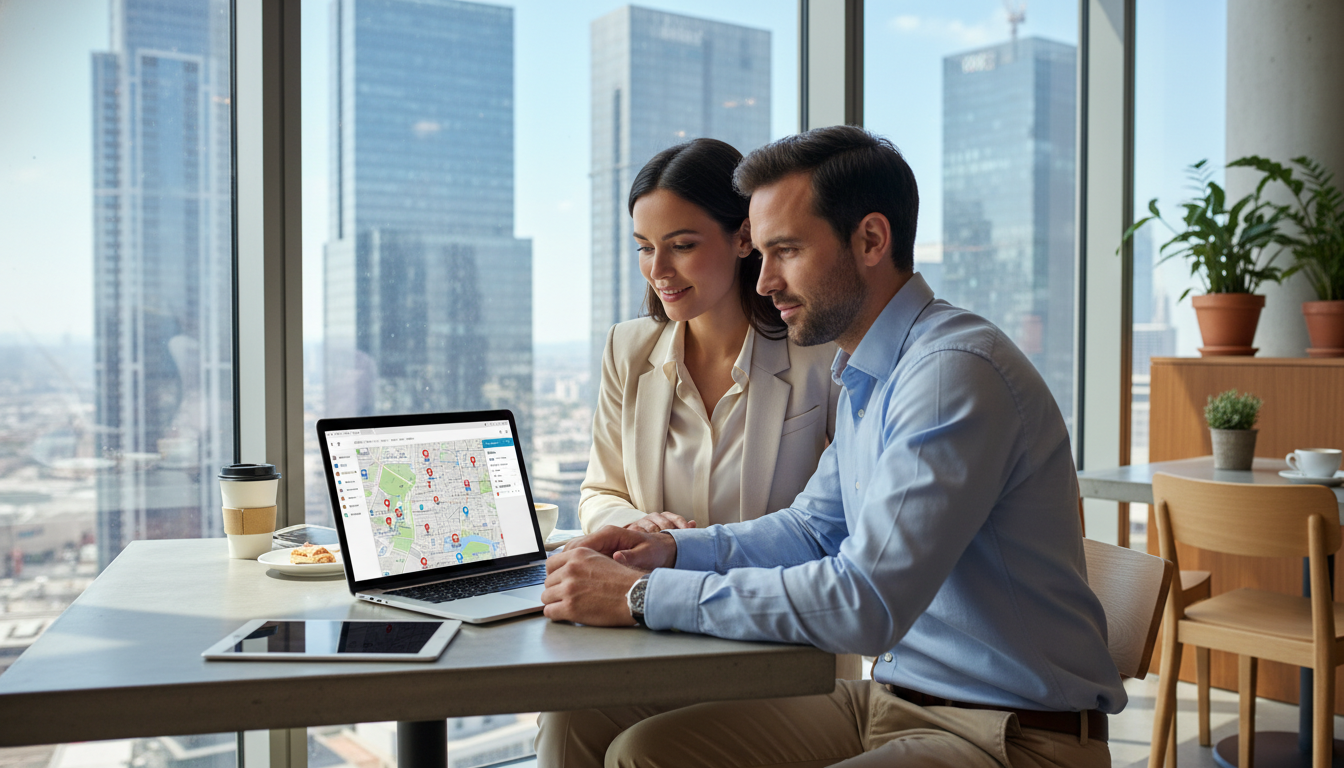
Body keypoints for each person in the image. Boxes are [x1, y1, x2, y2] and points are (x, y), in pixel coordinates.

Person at [536, 126, 1125, 768]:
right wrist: (670, 550)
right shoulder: (869, 372)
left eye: (785, 251)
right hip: (889, 701)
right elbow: (814, 530)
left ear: (871, 239)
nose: (763, 283)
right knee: (639, 751)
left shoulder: (950, 373)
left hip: (1011, 733)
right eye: (760, 254)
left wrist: (639, 596)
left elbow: (865, 602)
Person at [579, 138, 839, 535]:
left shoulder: (819, 352)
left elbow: (845, 509)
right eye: (645, 248)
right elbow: (600, 491)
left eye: (682, 245)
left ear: (742, 238)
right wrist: (640, 525)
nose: (659, 270)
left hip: (764, 591)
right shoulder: (626, 349)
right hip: (655, 590)